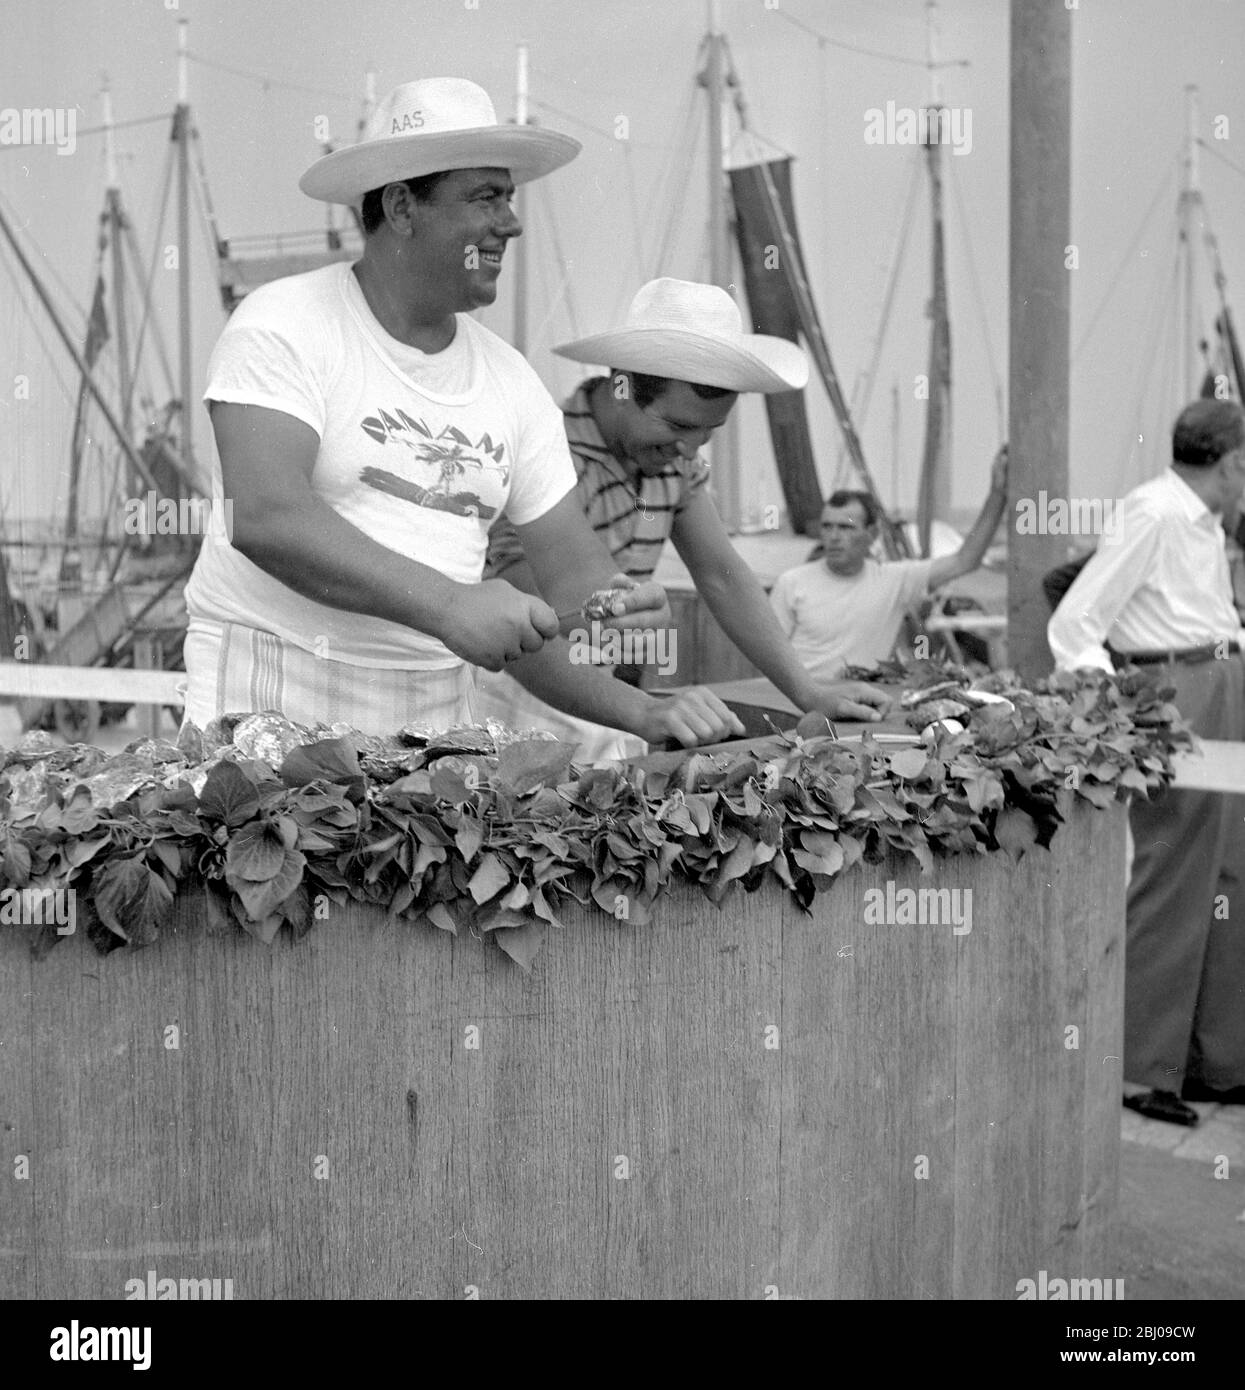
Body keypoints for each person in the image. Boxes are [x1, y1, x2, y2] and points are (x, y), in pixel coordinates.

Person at [181, 79, 740, 748]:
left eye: (509, 197)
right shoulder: (285, 322)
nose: (511, 221)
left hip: (433, 718)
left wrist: (629, 657)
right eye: (486, 197)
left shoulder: (511, 382)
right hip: (269, 697)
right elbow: (266, 516)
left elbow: (570, 582)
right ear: (401, 206)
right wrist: (451, 603)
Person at [477, 278, 894, 757]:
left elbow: (722, 575)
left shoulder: (674, 460)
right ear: (622, 387)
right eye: (677, 426)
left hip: (610, 696)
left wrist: (808, 693)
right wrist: (639, 707)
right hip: (519, 702)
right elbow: (522, 623)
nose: (691, 449)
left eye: (708, 431)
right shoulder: (549, 453)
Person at [1048, 397, 1245, 1125]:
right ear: (1229, 461)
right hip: (1177, 686)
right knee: (1170, 871)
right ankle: (1137, 1067)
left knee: (1228, 870)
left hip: (1220, 675)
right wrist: (1120, 712)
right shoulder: (1154, 513)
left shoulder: (1198, 521)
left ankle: (1215, 1057)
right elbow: (1074, 622)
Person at [768, 446, 1009, 678]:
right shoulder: (791, 584)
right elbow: (770, 661)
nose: (834, 537)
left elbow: (965, 560)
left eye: (845, 528)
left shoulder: (893, 581)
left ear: (872, 534)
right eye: (827, 527)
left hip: (862, 705)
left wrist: (997, 494)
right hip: (805, 704)